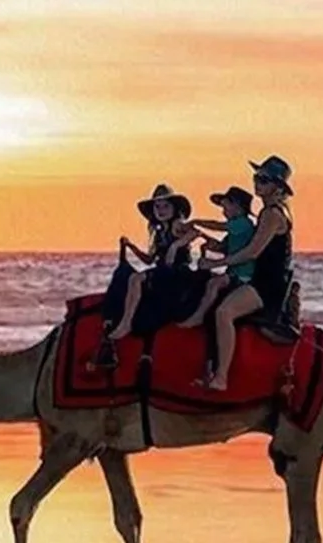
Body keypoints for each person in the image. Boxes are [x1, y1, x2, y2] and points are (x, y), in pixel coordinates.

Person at [198, 156, 295, 393]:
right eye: (256, 178)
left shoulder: (272, 214)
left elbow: (252, 251)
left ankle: (221, 377)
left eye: (264, 179)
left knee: (224, 312)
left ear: (277, 186)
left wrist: (215, 264)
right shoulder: (267, 212)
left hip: (267, 284)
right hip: (263, 279)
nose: (257, 183)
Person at [92, 184, 207, 368]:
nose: (161, 211)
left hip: (176, 273)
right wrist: (130, 246)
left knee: (136, 279)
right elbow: (148, 260)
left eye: (165, 206)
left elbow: (196, 232)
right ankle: (112, 325)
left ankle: (126, 323)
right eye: (157, 207)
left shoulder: (177, 225)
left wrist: (176, 246)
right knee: (123, 276)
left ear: (174, 208)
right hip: (162, 271)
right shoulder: (159, 231)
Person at [179, 184, 257, 335]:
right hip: (232, 274)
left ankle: (199, 316)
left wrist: (196, 221)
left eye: (226, 207)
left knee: (215, 283)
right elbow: (221, 247)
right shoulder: (235, 230)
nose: (223, 211)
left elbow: (218, 226)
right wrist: (202, 236)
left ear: (237, 206)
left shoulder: (243, 223)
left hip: (243, 276)